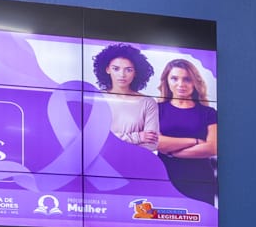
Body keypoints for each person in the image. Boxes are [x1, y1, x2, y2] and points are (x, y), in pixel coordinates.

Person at [155, 58, 218, 203]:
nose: (180, 84)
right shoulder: (157, 109)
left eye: (187, 79)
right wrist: (194, 141)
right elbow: (157, 142)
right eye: (174, 78)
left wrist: (171, 152)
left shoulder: (208, 112)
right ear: (167, 80)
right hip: (164, 177)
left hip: (200, 181)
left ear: (195, 82)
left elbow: (213, 147)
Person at [91, 43, 159, 151]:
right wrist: (138, 137)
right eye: (116, 69)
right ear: (107, 69)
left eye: (128, 70)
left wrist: (115, 141)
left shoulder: (148, 102)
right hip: (100, 162)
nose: (122, 74)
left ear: (136, 72)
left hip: (134, 164)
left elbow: (152, 144)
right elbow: (93, 138)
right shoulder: (95, 99)